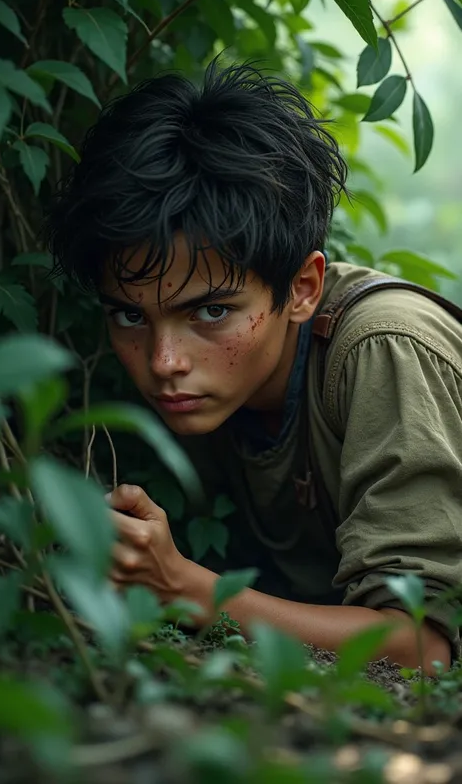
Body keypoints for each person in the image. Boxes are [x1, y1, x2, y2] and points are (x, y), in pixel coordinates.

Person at [46, 60, 462, 673]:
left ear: (301, 287)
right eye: (130, 317)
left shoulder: (383, 345)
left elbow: (421, 647)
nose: (165, 363)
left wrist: (184, 587)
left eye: (211, 311)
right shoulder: (216, 386)